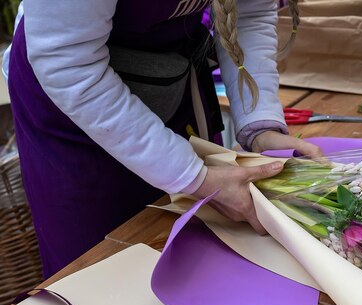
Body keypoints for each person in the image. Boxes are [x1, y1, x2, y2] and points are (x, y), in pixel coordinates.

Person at [5, 0, 322, 278]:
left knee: (200, 255)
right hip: (77, 110)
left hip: (170, 79)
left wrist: (259, 124)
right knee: (102, 273)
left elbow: (247, 16)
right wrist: (192, 175)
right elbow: (68, 64)